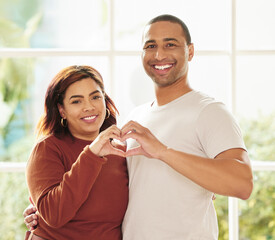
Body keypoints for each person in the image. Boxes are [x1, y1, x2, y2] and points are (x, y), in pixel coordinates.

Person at [24, 14, 253, 239]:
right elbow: (129, 188)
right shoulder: (136, 118)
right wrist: (42, 214)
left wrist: (167, 155)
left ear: (190, 51)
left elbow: (242, 184)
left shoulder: (210, 111)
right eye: (150, 45)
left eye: (170, 44)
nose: (159, 54)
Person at [24, 65, 128, 240]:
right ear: (61, 110)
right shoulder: (48, 148)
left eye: (95, 97)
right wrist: (92, 155)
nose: (89, 107)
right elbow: (54, 215)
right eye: (76, 101)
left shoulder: (121, 152)